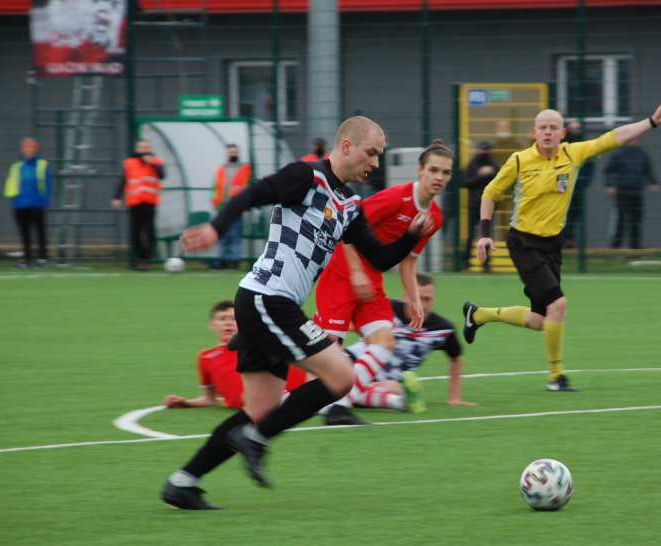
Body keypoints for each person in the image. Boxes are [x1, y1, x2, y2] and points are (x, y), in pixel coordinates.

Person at [161, 115, 435, 510]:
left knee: (260, 412)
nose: (375, 163)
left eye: (379, 155)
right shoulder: (307, 177)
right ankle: (257, 440)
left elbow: (379, 258)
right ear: (346, 146)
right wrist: (217, 229)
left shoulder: (349, 205)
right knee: (341, 377)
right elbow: (253, 194)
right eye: (371, 152)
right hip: (266, 299)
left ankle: (183, 481)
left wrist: (412, 235)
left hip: (269, 305)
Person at [463, 97, 661, 392]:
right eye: (543, 128)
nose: (549, 132)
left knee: (540, 319)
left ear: (563, 133)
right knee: (559, 304)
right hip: (523, 242)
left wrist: (652, 121)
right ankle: (556, 377)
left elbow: (612, 138)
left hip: (552, 246)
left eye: (554, 127)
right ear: (534, 132)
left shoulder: (573, 154)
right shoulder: (519, 160)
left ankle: (478, 314)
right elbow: (490, 192)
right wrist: (485, 233)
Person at [312, 139, 451, 423]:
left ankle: (339, 406)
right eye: (433, 170)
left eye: (446, 172)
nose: (439, 177)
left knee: (384, 342)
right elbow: (345, 225)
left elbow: (409, 260)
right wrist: (355, 271)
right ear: (420, 170)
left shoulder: (434, 217)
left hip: (372, 279)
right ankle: (328, 401)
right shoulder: (394, 198)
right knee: (329, 353)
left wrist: (413, 298)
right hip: (341, 273)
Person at [324, 274, 476, 425]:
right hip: (355, 362)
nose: (422, 305)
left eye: (427, 299)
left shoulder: (443, 329)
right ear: (405, 296)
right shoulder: (386, 308)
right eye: (417, 297)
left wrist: (454, 397)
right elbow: (345, 324)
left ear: (434, 299)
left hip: (388, 382)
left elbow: (456, 358)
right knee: (335, 380)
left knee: (394, 387)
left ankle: (342, 398)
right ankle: (394, 401)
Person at [163, 300, 306, 410]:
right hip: (256, 406)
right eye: (222, 319)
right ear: (212, 324)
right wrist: (185, 403)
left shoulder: (257, 344)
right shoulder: (206, 357)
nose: (228, 324)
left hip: (284, 397)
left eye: (233, 319)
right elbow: (210, 399)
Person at [112, 138, 165, 271]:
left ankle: (147, 257)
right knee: (135, 232)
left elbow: (162, 175)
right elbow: (123, 180)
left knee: (149, 231)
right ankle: (139, 259)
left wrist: (152, 164)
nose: (144, 150)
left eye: (146, 147)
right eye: (141, 147)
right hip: (134, 201)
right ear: (137, 149)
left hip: (149, 201)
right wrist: (117, 197)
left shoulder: (156, 161)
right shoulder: (129, 162)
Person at [4, 137, 52, 268]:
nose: (29, 149)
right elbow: (11, 184)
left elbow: (48, 184)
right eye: (26, 147)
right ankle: (26, 260)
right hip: (20, 205)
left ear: (36, 149)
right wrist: (14, 201)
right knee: (24, 234)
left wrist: (45, 201)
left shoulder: (43, 164)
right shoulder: (16, 166)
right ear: (22, 149)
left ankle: (42, 258)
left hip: (37, 204)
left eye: (32, 147)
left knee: (40, 232)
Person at [604, 138, 659, 249]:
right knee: (620, 220)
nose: (634, 140)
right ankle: (615, 246)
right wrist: (610, 185)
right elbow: (608, 170)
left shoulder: (642, 154)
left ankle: (635, 246)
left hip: (637, 192)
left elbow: (648, 169)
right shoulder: (618, 154)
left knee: (636, 220)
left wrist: (653, 182)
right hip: (622, 192)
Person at [210, 144, 252, 270]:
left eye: (235, 152)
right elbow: (216, 187)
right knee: (222, 233)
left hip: (237, 204)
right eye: (230, 152)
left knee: (235, 233)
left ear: (238, 153)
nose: (233, 154)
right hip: (223, 205)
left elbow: (248, 185)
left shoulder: (244, 168)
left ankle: (234, 261)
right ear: (227, 153)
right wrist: (216, 202)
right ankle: (222, 260)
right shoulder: (222, 169)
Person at [461, 141, 498, 270]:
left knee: (487, 234)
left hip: (489, 206)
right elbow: (465, 183)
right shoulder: (472, 165)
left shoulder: (494, 165)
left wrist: (491, 173)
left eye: (486, 150)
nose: (484, 153)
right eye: (482, 150)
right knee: (471, 235)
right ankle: (465, 263)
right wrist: (480, 175)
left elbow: (500, 183)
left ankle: (486, 264)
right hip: (474, 205)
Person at [561, 121, 596, 248]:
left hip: (578, 185)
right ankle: (563, 238)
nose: (576, 129)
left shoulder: (584, 145)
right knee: (564, 212)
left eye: (578, 127)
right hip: (564, 184)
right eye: (573, 127)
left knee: (575, 213)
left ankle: (569, 239)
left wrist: (585, 182)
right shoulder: (564, 143)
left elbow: (590, 165)